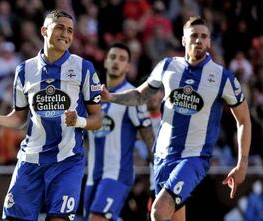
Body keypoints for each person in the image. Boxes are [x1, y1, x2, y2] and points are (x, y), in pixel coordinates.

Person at [101, 16, 251, 221]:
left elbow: (243, 119)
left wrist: (242, 164)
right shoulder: (167, 66)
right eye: (194, 36)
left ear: (209, 42)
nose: (199, 40)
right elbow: (139, 96)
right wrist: (111, 97)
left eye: (204, 36)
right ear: (183, 40)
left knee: (158, 211)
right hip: (162, 157)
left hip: (193, 158)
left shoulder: (222, 77)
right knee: (175, 217)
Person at [0, 10, 103, 221]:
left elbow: (97, 119)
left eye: (70, 30)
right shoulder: (24, 70)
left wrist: (79, 121)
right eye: (60, 27)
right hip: (30, 161)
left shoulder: (84, 68)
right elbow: (20, 118)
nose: (66, 34)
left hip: (67, 161)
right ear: (44, 31)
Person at [84, 43, 155, 221]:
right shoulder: (92, 95)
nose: (117, 62)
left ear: (128, 66)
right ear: (106, 61)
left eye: (122, 59)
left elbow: (147, 133)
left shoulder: (131, 96)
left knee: (97, 218)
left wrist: (157, 163)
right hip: (92, 175)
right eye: (113, 57)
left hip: (117, 174)